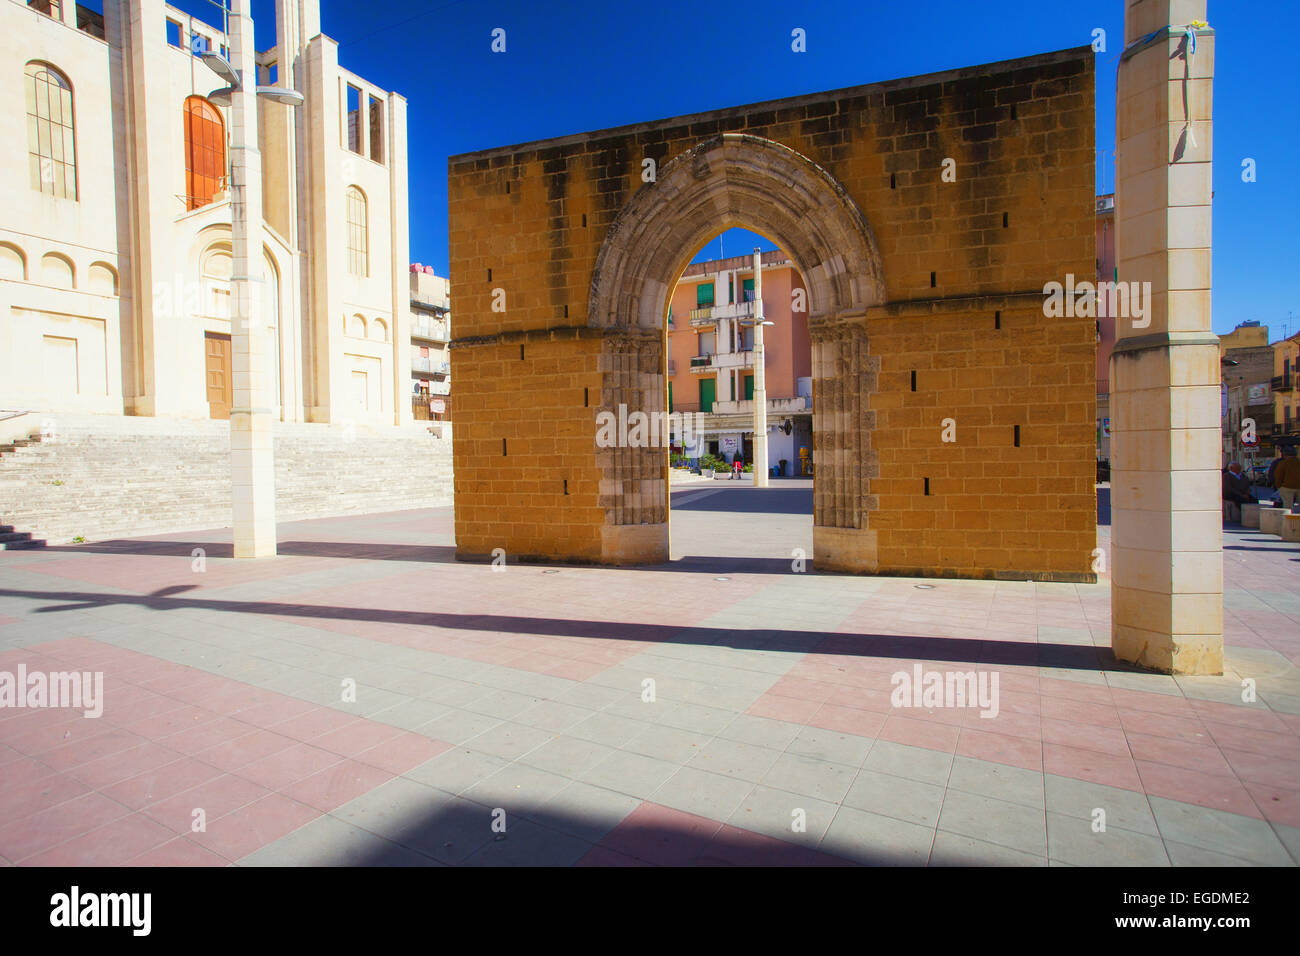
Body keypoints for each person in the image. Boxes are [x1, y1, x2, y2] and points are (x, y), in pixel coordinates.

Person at [1274, 446, 1300, 511]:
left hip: (1287, 487)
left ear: (1285, 454)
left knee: (1288, 506)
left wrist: (1279, 486)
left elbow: (1278, 476)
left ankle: (1288, 520)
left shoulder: (1283, 463)